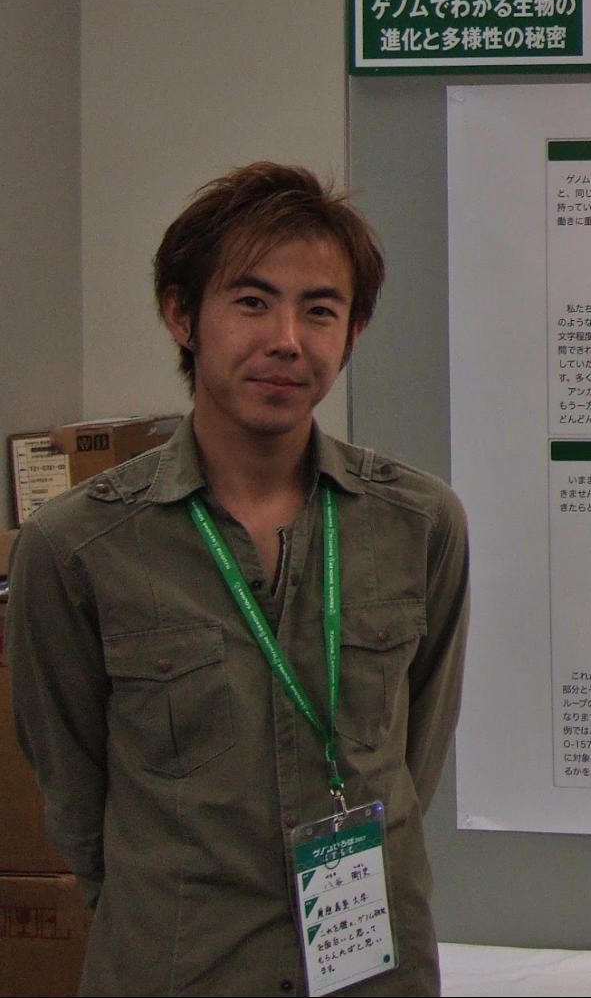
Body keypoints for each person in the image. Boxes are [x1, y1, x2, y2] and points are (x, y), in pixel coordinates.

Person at [7, 163, 469, 995]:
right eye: (252, 302)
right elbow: (72, 794)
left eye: (319, 310)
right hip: (178, 969)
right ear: (182, 316)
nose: (286, 339)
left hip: (372, 970)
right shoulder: (75, 546)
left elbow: (415, 757)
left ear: (353, 332)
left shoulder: (419, 523)